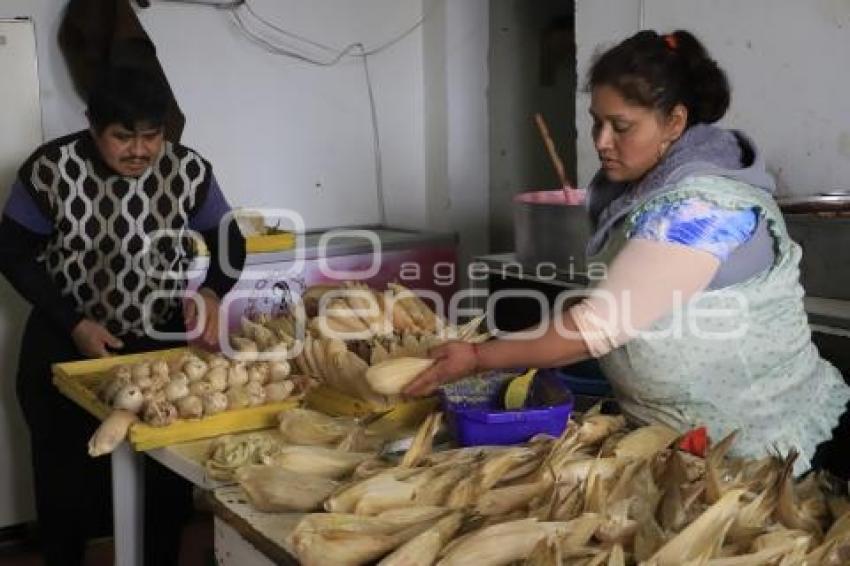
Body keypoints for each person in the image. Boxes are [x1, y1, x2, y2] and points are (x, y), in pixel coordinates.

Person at [405, 30, 850, 480]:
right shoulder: (649, 188)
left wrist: (480, 359)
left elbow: (595, 327)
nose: (601, 141)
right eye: (597, 121)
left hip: (766, 453)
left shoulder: (701, 209)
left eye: (621, 127)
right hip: (680, 444)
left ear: (674, 122)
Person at [0, 67, 246, 565]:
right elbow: (12, 251)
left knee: (165, 477)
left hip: (158, 338)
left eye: (151, 136)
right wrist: (73, 322)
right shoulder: (52, 168)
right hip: (65, 334)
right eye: (123, 137)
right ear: (94, 127)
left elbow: (230, 240)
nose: (140, 151)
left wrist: (213, 294)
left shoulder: (188, 170)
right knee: (64, 474)